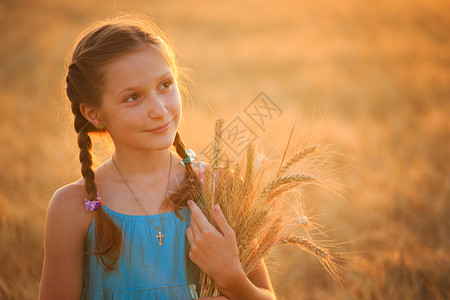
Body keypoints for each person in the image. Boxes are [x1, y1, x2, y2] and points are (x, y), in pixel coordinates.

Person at [38, 13, 276, 300]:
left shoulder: (218, 189)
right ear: (94, 113)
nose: (159, 110)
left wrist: (232, 277)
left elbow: (267, 296)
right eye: (133, 97)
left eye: (165, 85)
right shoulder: (73, 207)